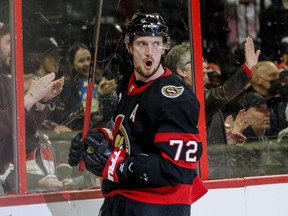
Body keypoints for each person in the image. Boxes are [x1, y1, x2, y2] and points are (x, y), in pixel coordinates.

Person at [68, 12, 207, 215]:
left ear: (165, 46)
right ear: (128, 45)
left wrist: (122, 164)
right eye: (142, 44)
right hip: (123, 199)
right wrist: (97, 140)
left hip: (158, 207)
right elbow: (131, 134)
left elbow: (178, 169)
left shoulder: (174, 97)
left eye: (156, 44)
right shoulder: (130, 82)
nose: (150, 52)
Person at [164, 37, 260, 178]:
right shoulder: (187, 99)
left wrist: (225, 139)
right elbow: (223, 93)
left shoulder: (192, 95)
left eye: (203, 60)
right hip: (203, 179)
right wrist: (247, 68)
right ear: (182, 71)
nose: (204, 65)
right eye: (197, 60)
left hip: (210, 175)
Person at [0, 22, 65, 193]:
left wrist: (41, 102)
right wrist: (28, 99)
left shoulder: (5, 82)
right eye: (8, 43)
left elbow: (23, 130)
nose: (14, 49)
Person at [50, 42, 118, 130]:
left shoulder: (100, 82)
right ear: (72, 64)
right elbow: (69, 120)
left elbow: (110, 116)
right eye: (81, 61)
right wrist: (98, 95)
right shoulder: (66, 87)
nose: (87, 63)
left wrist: (111, 95)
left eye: (89, 59)